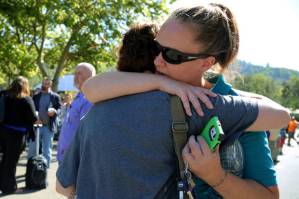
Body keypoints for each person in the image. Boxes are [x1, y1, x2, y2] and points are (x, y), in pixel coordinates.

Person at [56, 19, 289, 199]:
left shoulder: (94, 113)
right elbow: (280, 116)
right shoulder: (193, 104)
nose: (161, 60)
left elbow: (62, 186)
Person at [0, 76, 37, 194]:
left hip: (3, 132)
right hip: (17, 134)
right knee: (11, 162)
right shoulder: (26, 99)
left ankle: (3, 184)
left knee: (4, 159)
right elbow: (33, 117)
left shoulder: (4, 96)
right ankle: (9, 187)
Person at [57, 63, 95, 163]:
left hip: (74, 158)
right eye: (75, 73)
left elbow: (86, 132)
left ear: (90, 78)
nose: (75, 77)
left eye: (79, 74)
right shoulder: (79, 96)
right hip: (65, 155)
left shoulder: (88, 99)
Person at [28, 77, 61, 168]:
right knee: (32, 150)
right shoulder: (36, 96)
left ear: (50, 84)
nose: (45, 85)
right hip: (36, 126)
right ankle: (30, 170)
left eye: (47, 83)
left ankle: (44, 171)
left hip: (48, 127)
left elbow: (59, 109)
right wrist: (34, 119)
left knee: (47, 151)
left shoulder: (55, 97)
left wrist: (54, 112)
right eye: (43, 83)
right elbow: (31, 110)